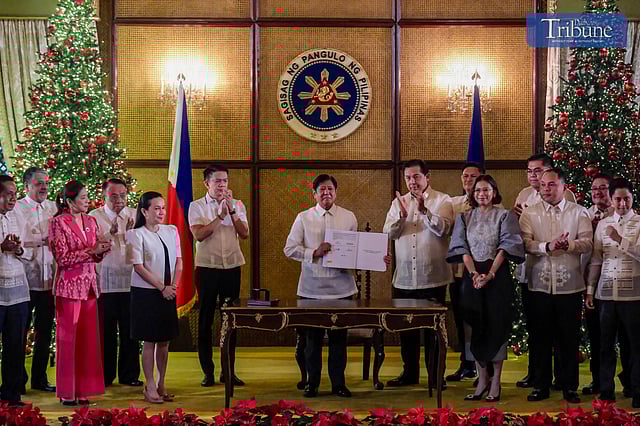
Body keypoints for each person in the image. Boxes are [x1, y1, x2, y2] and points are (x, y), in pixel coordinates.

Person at [447, 175, 524, 402]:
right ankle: (482, 380)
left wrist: (489, 274)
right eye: (478, 190)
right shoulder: (464, 217)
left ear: (494, 192)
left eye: (486, 190)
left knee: (496, 325)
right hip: (472, 276)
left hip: (497, 277)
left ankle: (496, 381)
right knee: (475, 327)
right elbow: (461, 247)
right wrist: (474, 274)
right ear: (473, 194)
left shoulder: (505, 215)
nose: (482, 194)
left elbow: (506, 247)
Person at [519, 168, 592, 404]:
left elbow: (588, 243)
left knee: (569, 338)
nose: (546, 189)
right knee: (539, 338)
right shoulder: (530, 213)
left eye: (551, 185)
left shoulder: (578, 212)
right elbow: (525, 243)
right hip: (538, 285)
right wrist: (547, 246)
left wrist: (568, 244)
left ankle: (569, 386)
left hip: (570, 285)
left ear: (563, 187)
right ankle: (541, 385)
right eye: (543, 185)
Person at [284, 174, 358, 398]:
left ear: (336, 192)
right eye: (322, 190)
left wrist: (376, 258)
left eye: (330, 189)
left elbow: (356, 250)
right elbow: (289, 249)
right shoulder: (303, 217)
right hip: (312, 290)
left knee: (339, 341)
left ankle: (338, 384)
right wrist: (313, 252)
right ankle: (312, 383)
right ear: (314, 194)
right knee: (312, 341)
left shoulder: (348, 216)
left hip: (342, 289)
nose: (326, 193)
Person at [383, 159, 453, 388]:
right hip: (404, 278)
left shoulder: (442, 200)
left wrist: (424, 211)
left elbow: (444, 229)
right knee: (407, 330)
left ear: (427, 177)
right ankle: (410, 373)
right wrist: (402, 217)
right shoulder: (398, 202)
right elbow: (389, 233)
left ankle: (436, 376)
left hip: (432, 277)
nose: (412, 181)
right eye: (408, 178)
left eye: (416, 176)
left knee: (433, 332)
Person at [512, 153, 575, 389]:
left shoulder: (565, 196)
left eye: (537, 171)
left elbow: (568, 227)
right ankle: (536, 375)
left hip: (561, 271)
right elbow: (520, 235)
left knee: (561, 330)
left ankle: (562, 377)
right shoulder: (524, 195)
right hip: (532, 270)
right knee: (536, 327)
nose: (533, 176)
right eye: (529, 171)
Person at [48, 180, 111, 406]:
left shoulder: (91, 221)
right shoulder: (58, 223)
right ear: (69, 201)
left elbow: (95, 253)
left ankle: (84, 390)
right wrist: (91, 251)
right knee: (68, 340)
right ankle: (68, 391)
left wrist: (101, 250)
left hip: (90, 287)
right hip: (69, 287)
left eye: (87, 196)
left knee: (88, 340)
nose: (87, 201)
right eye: (83, 197)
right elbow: (62, 258)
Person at [188, 165, 248, 387]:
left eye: (225, 181)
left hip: (231, 267)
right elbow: (199, 234)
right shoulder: (196, 206)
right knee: (205, 320)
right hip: (207, 268)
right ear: (207, 183)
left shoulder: (238, 205)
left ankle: (228, 371)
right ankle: (208, 372)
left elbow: (244, 233)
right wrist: (219, 216)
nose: (222, 185)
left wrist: (231, 212)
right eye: (217, 181)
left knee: (230, 320)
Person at [586, 178, 640, 408]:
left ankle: (636, 390)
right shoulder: (603, 224)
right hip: (606, 293)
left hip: (633, 295)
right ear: (612, 199)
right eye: (618, 199)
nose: (622, 204)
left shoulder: (639, 222)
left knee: (636, 345)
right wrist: (590, 290)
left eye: (626, 199)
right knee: (605, 344)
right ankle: (606, 390)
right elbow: (596, 259)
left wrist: (619, 239)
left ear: (632, 198)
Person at [126, 192, 182, 404]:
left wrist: (173, 286)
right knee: (149, 340)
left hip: (168, 290)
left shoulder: (171, 230)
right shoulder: (136, 234)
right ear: (144, 211)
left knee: (164, 341)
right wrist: (161, 287)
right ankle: (149, 385)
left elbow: (179, 262)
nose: (161, 212)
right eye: (156, 208)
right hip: (146, 293)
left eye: (163, 208)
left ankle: (161, 383)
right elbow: (139, 267)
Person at [89, 178, 141, 387]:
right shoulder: (94, 217)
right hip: (105, 282)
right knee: (106, 332)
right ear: (104, 196)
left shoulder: (135, 215)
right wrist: (108, 234)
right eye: (113, 196)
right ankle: (105, 375)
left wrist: (132, 234)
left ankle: (129, 375)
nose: (119, 200)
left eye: (122, 195)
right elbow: (90, 246)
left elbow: (144, 244)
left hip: (130, 280)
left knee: (130, 331)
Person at [15, 167, 56, 393]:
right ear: (27, 186)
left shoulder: (53, 208)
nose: (44, 187)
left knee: (45, 331)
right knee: (19, 331)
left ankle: (40, 378)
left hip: (48, 279)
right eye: (39, 183)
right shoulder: (17, 208)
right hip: (24, 279)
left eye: (46, 183)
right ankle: (17, 379)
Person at [446, 162, 484, 382]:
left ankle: (483, 367)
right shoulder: (453, 204)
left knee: (481, 321)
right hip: (459, 272)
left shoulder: (491, 203)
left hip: (483, 272)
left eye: (473, 176)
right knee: (462, 320)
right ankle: (467, 364)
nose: (468, 180)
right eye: (465, 176)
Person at [581, 174, 615, 396]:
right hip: (590, 284)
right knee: (597, 336)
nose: (598, 192)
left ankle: (630, 381)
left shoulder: (620, 214)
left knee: (624, 336)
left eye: (603, 188)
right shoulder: (584, 215)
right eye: (594, 188)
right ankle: (598, 380)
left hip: (617, 283)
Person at [0, 175, 31, 406]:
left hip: (18, 291)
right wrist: (1, 247)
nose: (13, 198)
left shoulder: (19, 217)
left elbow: (30, 253)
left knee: (15, 345)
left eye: (15, 194)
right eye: (8, 194)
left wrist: (19, 249)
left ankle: (11, 394)